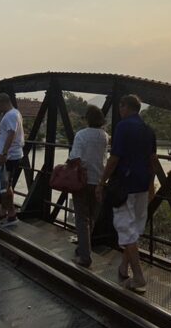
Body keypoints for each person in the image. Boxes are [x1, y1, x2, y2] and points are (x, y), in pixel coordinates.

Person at [97, 95, 160, 293]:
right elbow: (152, 160)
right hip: (143, 183)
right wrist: (151, 187)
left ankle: (139, 276)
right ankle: (124, 267)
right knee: (134, 228)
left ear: (125, 107)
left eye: (120, 106)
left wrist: (101, 182)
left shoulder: (123, 127)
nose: (119, 110)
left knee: (124, 227)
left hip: (125, 185)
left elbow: (114, 158)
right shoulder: (149, 130)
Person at [68, 105, 108, 267]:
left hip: (82, 181)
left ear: (87, 119)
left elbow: (75, 157)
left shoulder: (81, 135)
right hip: (99, 181)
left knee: (81, 218)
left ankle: (85, 256)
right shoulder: (105, 136)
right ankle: (82, 248)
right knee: (91, 217)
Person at [0, 94, 24, 228]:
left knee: (5, 187)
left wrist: (4, 152)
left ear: (3, 103)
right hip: (12, 155)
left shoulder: (10, 115)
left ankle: (12, 215)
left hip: (9, 156)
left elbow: (11, 134)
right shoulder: (15, 113)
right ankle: (3, 212)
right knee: (5, 185)